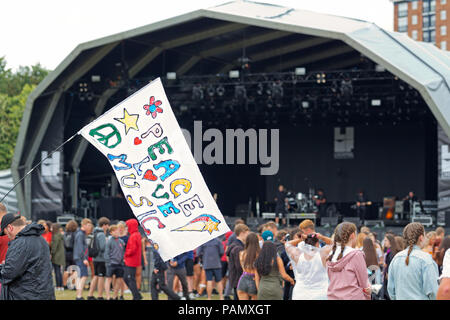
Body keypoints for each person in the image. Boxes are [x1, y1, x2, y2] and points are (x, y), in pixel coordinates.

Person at [0, 213, 55, 300]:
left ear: (10, 227)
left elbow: (8, 274)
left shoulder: (20, 243)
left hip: (25, 295)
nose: (8, 237)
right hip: (44, 293)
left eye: (6, 233)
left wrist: (3, 268)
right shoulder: (41, 239)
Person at [387, 222, 439, 300]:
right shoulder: (426, 259)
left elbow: (391, 290)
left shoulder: (396, 258)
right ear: (421, 237)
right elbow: (433, 291)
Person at [326, 222, 371, 300]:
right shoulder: (356, 254)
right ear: (353, 235)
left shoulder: (331, 255)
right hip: (353, 296)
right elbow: (364, 283)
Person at [285, 233, 331, 300]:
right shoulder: (323, 254)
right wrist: (322, 237)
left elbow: (287, 244)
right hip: (320, 294)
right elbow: (334, 243)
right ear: (317, 243)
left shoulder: (298, 255)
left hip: (300, 294)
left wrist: (301, 239)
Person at [87, 217, 110, 300]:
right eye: (107, 225)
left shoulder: (94, 232)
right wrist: (107, 242)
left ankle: (90, 294)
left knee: (96, 276)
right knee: (101, 277)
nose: (108, 227)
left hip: (95, 258)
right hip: (101, 258)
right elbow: (103, 247)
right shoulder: (101, 234)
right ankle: (100, 295)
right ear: (104, 225)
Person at [226, 223, 250, 300]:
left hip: (237, 279)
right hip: (239, 279)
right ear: (242, 233)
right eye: (247, 233)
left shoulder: (236, 245)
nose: (248, 236)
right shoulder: (238, 248)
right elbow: (239, 266)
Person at [73, 218, 93, 300]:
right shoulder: (80, 235)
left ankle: (78, 295)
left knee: (80, 276)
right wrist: (84, 259)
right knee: (83, 276)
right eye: (88, 225)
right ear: (83, 225)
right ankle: (79, 296)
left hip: (79, 258)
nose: (90, 227)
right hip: (81, 258)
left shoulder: (81, 234)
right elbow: (81, 248)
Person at [236, 232, 260, 300]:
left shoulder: (241, 253)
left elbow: (242, 267)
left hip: (243, 279)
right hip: (254, 280)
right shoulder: (259, 254)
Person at [104, 224, 125, 300]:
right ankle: (108, 296)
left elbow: (123, 252)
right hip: (111, 263)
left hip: (119, 264)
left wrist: (123, 260)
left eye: (117, 230)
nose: (117, 232)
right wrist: (108, 262)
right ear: (111, 232)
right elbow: (106, 253)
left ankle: (115, 295)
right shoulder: (109, 241)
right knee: (108, 279)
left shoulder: (121, 241)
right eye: (115, 231)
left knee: (119, 280)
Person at [123, 218, 142, 300]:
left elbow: (132, 249)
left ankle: (136, 296)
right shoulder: (137, 235)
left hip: (131, 261)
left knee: (129, 278)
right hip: (134, 260)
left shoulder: (134, 236)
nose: (127, 228)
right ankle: (137, 294)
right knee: (129, 278)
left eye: (127, 226)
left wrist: (125, 254)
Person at [382, 233, 399, 300]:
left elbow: (390, 264)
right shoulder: (389, 251)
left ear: (390, 241)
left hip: (389, 275)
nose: (384, 242)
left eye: (386, 240)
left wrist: (388, 273)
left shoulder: (391, 252)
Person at [62, 219, 78, 289]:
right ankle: (72, 285)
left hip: (66, 253)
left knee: (66, 269)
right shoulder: (75, 234)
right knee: (74, 270)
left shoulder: (65, 234)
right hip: (73, 253)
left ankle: (64, 285)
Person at [50, 223, 65, 291]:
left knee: (57, 272)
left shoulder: (56, 236)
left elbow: (54, 247)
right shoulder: (60, 235)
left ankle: (58, 286)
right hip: (60, 256)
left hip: (56, 256)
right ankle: (61, 285)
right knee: (59, 271)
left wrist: (51, 253)